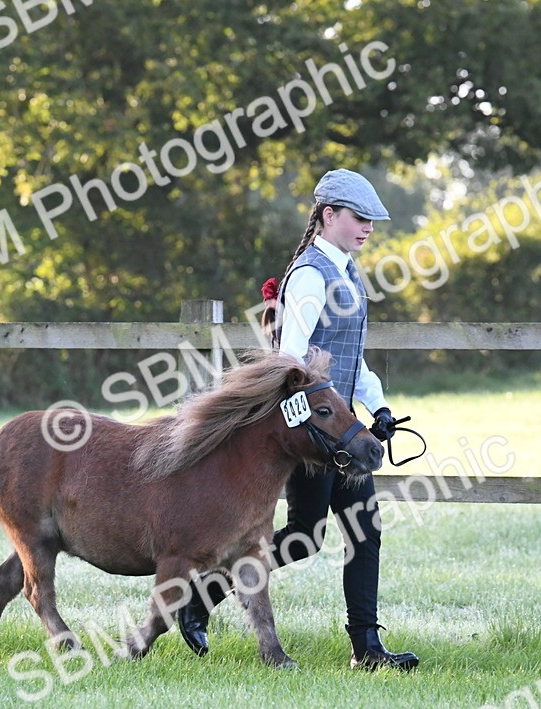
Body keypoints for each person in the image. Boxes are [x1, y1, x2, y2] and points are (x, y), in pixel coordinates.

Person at [178, 169, 419, 671]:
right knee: (306, 536)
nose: (368, 227)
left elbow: (351, 357)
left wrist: (377, 407)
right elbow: (291, 362)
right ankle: (202, 597)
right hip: (316, 432)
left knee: (363, 530)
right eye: (360, 218)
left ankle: (367, 650)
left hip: (342, 429)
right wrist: (317, 423)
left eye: (372, 220)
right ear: (328, 216)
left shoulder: (348, 272)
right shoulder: (311, 275)